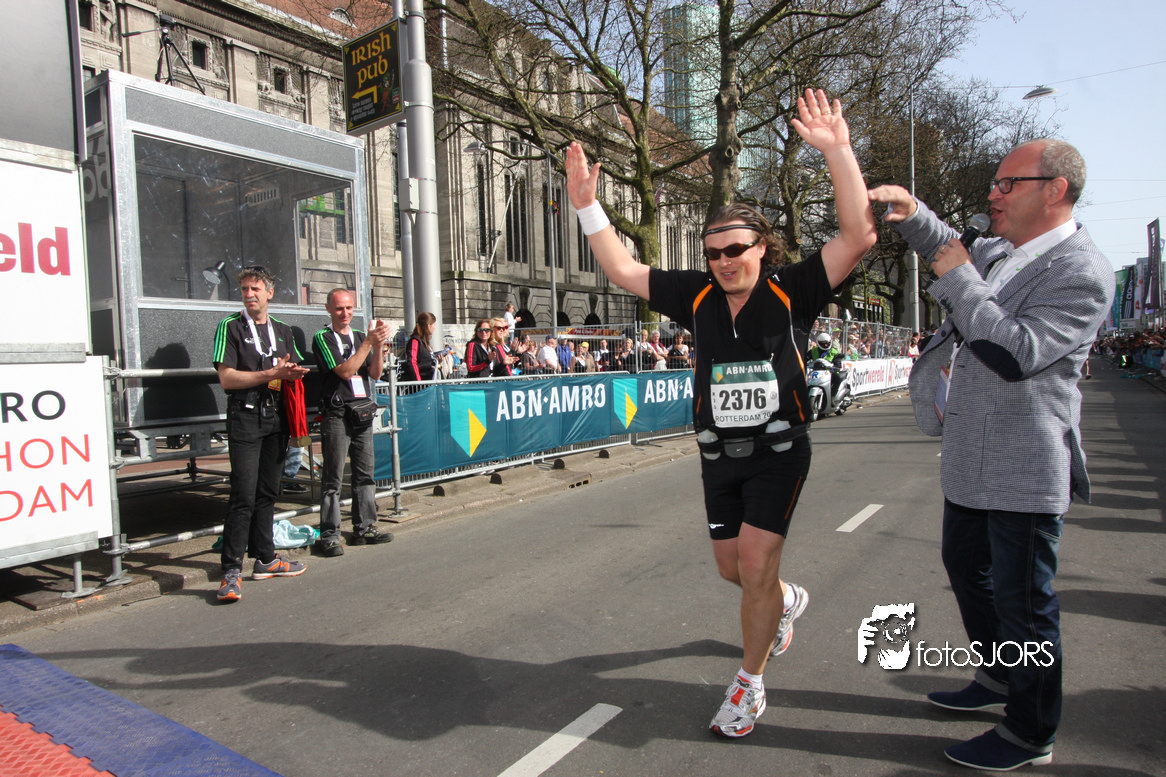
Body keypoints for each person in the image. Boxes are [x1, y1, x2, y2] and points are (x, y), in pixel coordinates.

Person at [566, 88, 877, 738]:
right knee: (734, 569)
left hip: (779, 452)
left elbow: (858, 235)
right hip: (718, 456)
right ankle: (786, 601)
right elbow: (622, 267)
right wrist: (587, 205)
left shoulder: (794, 288)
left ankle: (748, 684)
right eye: (713, 253)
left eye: (735, 249)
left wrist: (838, 151)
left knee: (757, 564)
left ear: (762, 247)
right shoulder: (697, 294)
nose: (724, 262)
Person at [868, 137, 1115, 770]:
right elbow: (949, 244)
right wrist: (912, 210)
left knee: (1025, 607)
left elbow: (1013, 351)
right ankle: (999, 676)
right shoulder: (1001, 248)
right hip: (969, 459)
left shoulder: (1082, 272)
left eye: (1007, 184)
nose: (992, 194)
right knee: (966, 568)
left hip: (1022, 466)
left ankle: (1031, 733)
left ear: (1054, 190)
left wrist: (958, 276)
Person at [211, 265, 310, 603]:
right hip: (245, 416)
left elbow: (290, 372)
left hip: (276, 417)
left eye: (255, 289)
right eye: (244, 289)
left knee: (268, 491)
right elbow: (227, 378)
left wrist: (292, 372)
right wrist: (270, 373)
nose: (249, 294)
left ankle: (265, 558)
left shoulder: (283, 330)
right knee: (243, 494)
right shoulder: (230, 326)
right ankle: (230, 571)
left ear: (270, 293)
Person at [311, 289, 394, 558]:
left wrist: (378, 346)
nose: (345, 313)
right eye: (339, 308)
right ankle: (330, 534)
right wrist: (369, 342)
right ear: (329, 309)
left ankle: (365, 527)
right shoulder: (323, 337)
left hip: (362, 413)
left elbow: (375, 373)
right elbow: (345, 371)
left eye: (348, 308)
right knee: (333, 478)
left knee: (365, 473)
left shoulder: (360, 337)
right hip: (337, 414)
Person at [401, 311, 437, 382]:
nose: (435, 328)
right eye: (434, 325)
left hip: (428, 382)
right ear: (428, 326)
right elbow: (412, 362)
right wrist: (418, 382)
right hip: (420, 383)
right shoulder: (415, 341)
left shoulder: (424, 342)